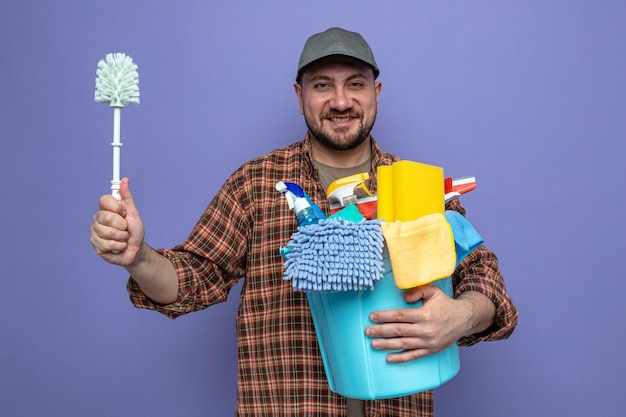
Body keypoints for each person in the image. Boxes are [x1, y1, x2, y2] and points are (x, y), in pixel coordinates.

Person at [91, 27, 518, 417]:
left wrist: (460, 316)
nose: (340, 101)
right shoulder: (256, 184)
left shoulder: (419, 188)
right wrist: (138, 256)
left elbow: (487, 283)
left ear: (376, 91)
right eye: (321, 86)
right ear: (299, 96)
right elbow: (191, 280)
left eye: (355, 84)